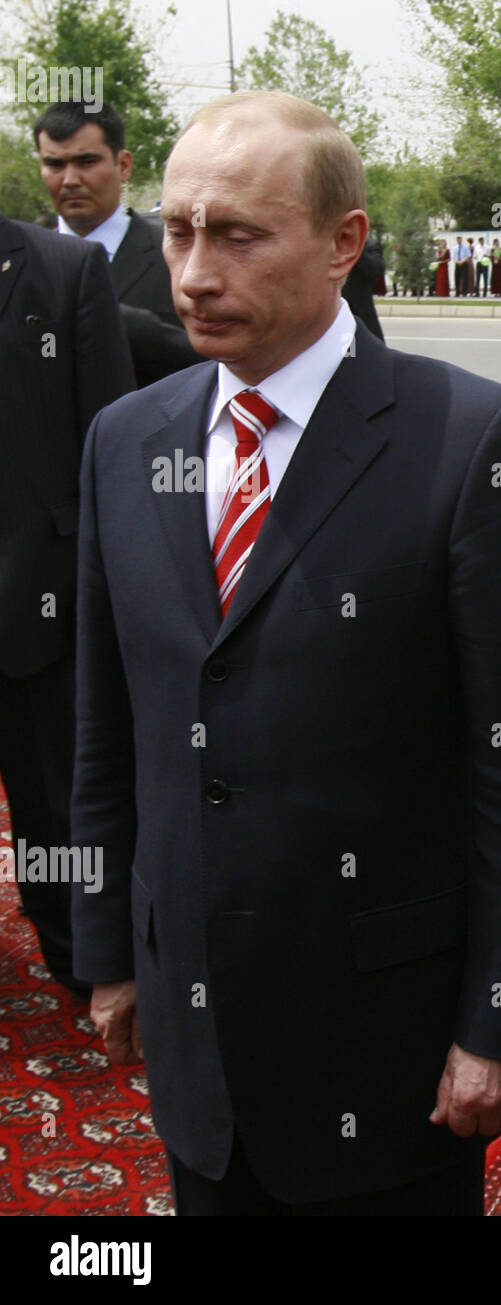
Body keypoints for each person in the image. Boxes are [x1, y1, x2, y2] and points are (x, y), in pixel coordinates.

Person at [70, 90, 501, 1216]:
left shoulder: (471, 441)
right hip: (195, 1029)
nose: (194, 273)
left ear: (343, 244)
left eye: (240, 236)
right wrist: (111, 946)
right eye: (176, 231)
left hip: (385, 1041)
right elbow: (107, 720)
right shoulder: (127, 439)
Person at [0, 213, 134, 1000]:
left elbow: (111, 435)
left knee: (58, 811)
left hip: (39, 606)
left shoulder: (62, 268)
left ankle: (89, 967)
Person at [34, 100, 202, 387]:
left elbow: (213, 364)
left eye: (87, 162)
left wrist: (126, 325)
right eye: (55, 164)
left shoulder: (181, 257)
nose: (70, 180)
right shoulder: (20, 264)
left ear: (123, 165)